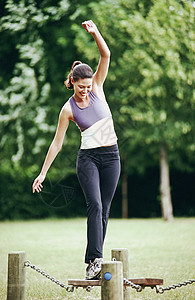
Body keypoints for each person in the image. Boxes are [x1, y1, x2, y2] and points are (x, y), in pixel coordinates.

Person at [32, 20, 120, 280]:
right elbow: (57, 143)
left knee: (104, 208)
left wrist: (96, 34)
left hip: (112, 157)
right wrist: (43, 173)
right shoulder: (68, 109)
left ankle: (96, 257)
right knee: (94, 204)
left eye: (88, 86)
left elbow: (106, 54)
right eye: (81, 87)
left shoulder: (98, 89)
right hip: (88, 159)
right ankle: (94, 260)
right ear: (72, 82)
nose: (85, 91)